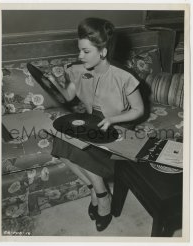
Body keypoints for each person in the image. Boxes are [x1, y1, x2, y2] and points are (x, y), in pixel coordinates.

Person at [46, 17, 144, 232]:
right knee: (60, 143)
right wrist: (50, 85)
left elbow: (139, 110)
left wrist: (112, 119)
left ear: (103, 52)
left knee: (82, 149)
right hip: (92, 124)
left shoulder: (125, 77)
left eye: (85, 51)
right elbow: (67, 96)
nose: (80, 56)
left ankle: (102, 198)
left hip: (118, 128)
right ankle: (97, 189)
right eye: (79, 50)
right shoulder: (78, 70)